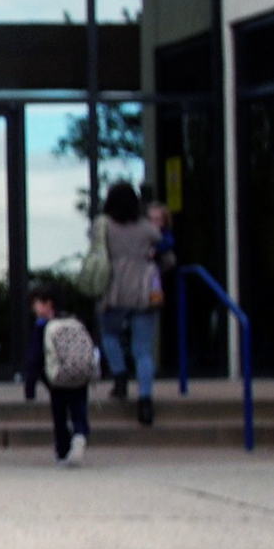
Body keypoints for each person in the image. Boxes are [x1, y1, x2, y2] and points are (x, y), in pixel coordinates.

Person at [97, 182, 163, 426]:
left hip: (114, 289)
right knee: (142, 349)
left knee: (109, 335)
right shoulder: (147, 229)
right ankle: (145, 401)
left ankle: (120, 375)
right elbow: (164, 249)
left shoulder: (104, 226)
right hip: (144, 291)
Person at [22, 283, 91, 467]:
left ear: (46, 304)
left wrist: (30, 387)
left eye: (36, 303)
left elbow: (34, 358)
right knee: (79, 408)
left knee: (60, 415)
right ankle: (80, 434)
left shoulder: (42, 327)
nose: (34, 308)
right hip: (80, 376)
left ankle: (63, 451)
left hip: (57, 379)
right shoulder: (73, 321)